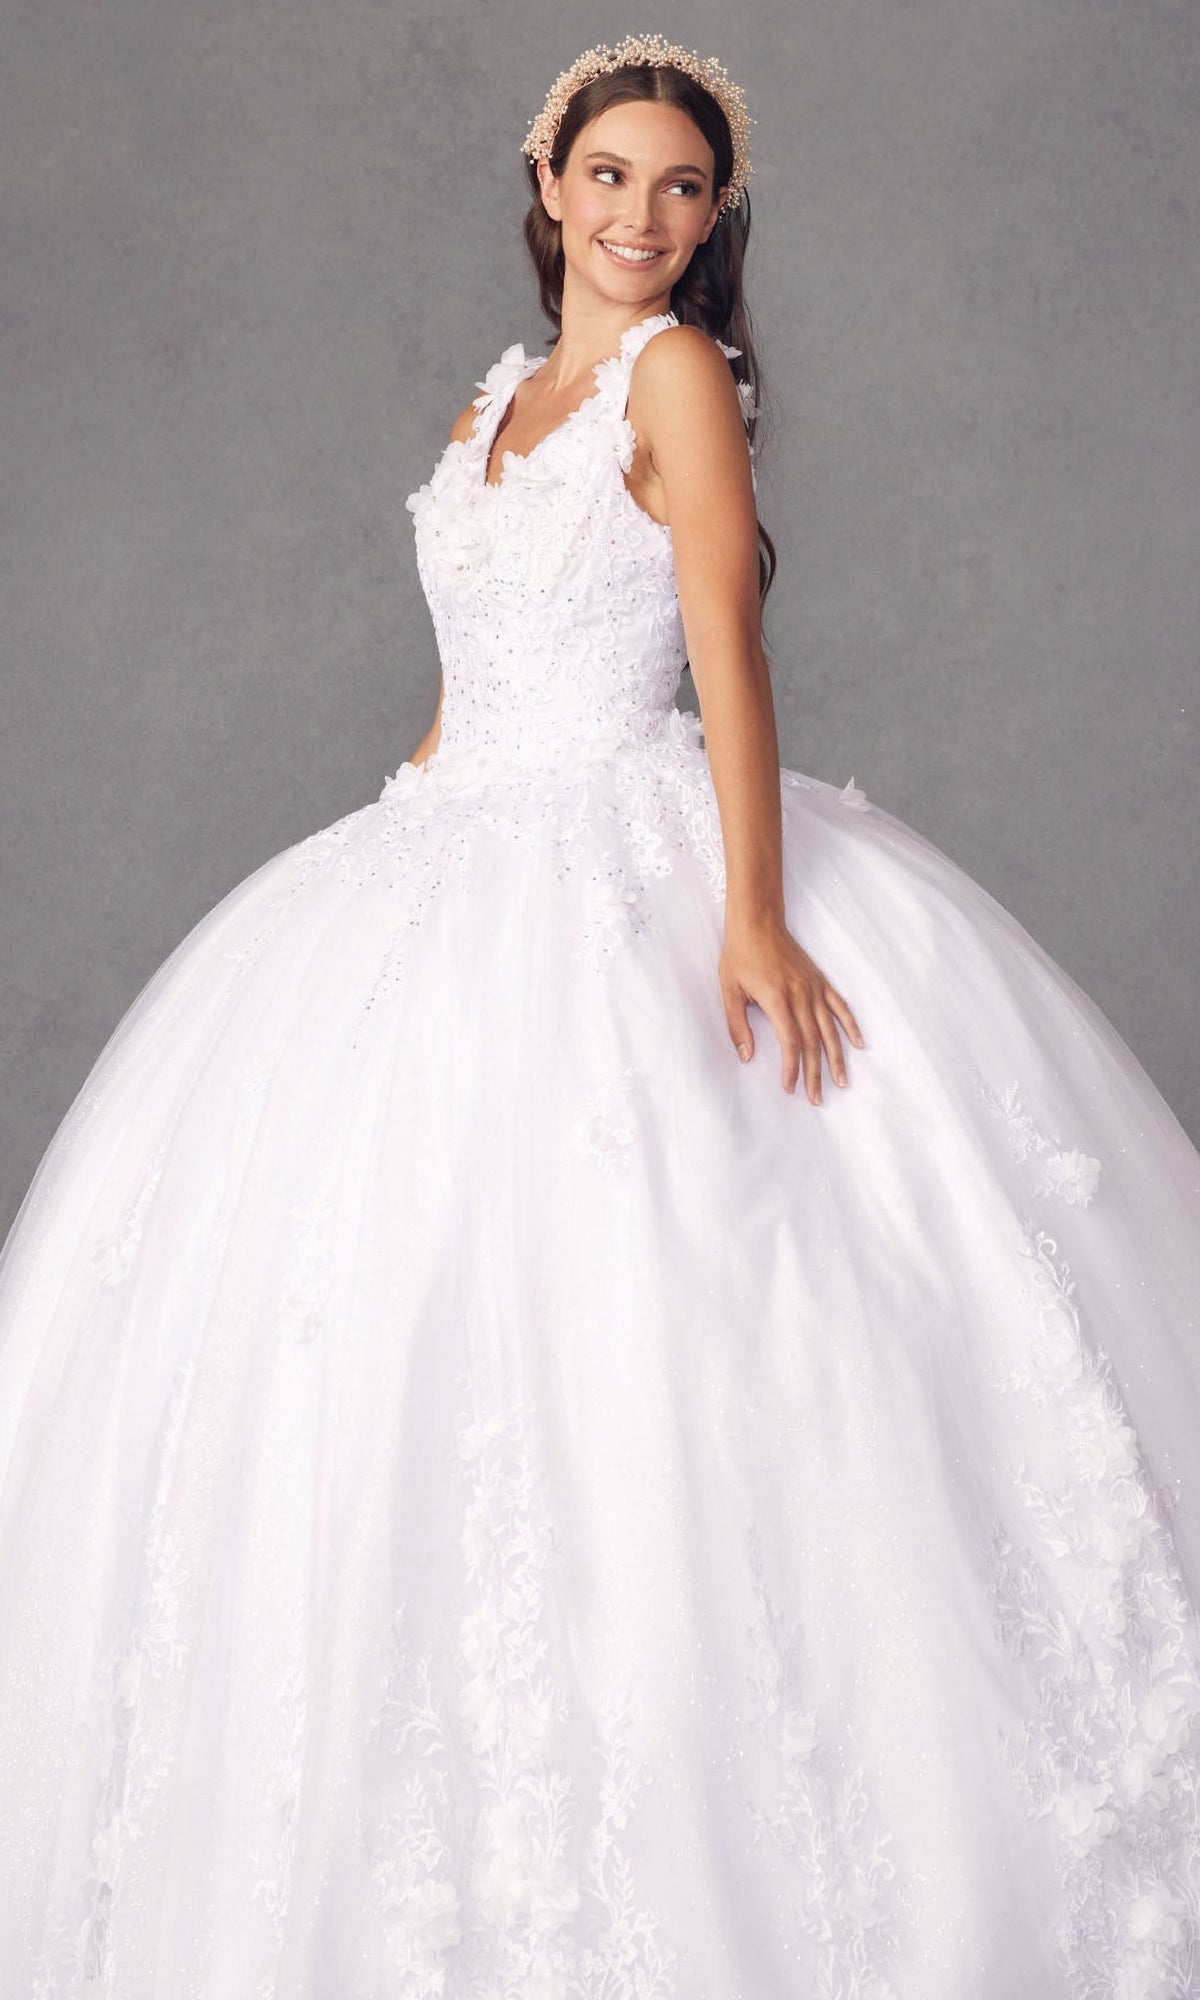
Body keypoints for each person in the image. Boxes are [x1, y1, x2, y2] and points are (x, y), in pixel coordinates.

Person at [2, 30, 1199, 1998]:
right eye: (612, 176)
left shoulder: (676, 382)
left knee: (673, 1321)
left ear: (715, 223)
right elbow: (481, 670)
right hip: (447, 841)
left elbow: (722, 639)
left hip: (628, 850)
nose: (644, 217)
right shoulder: (505, 393)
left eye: (684, 190)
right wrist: (393, 824)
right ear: (547, 178)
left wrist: (748, 915)